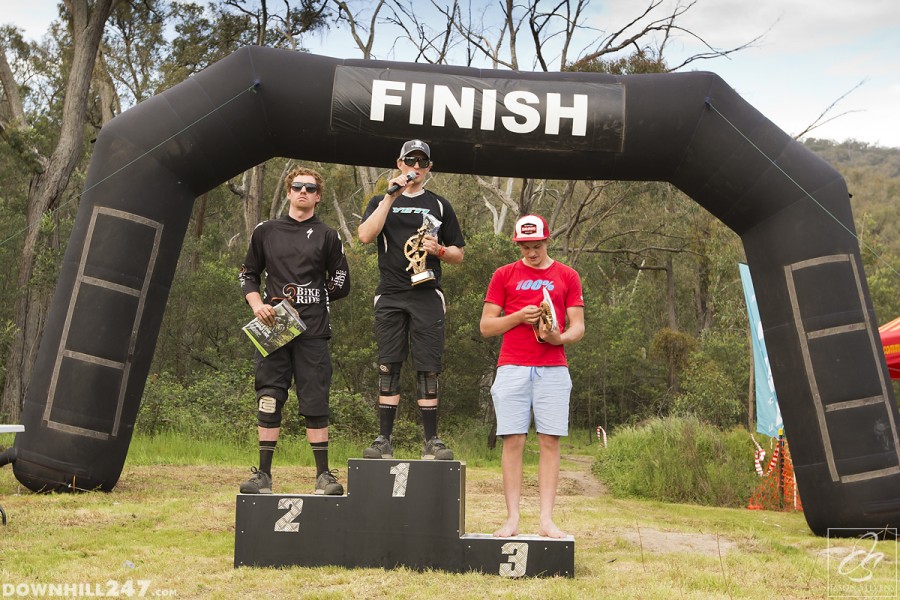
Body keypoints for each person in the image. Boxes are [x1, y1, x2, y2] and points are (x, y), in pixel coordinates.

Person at [238, 166, 350, 495]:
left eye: (310, 188)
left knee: (315, 401)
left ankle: (324, 476)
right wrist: (257, 304)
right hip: (273, 328)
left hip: (312, 330)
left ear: (318, 196)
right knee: (269, 397)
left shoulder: (328, 235)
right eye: (298, 186)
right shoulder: (266, 231)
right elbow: (247, 274)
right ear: (288, 191)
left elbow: (342, 282)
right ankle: (263, 476)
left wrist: (315, 294)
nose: (303, 192)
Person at [357, 139, 465, 460]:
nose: (415, 168)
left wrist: (440, 251)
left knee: (428, 367)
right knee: (388, 364)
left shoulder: (440, 205)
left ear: (429, 168)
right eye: (410, 161)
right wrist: (391, 195)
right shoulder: (381, 200)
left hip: (427, 294)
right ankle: (383, 439)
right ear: (399, 163)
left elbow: (459, 253)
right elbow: (365, 235)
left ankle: (431, 440)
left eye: (421, 163)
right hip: (390, 293)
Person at [479, 214, 585, 538]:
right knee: (513, 440)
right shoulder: (504, 275)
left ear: (547, 240)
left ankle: (546, 521)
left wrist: (560, 338)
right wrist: (517, 317)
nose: (531, 252)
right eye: (525, 247)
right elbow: (486, 326)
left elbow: (578, 325)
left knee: (549, 441)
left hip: (553, 367)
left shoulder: (568, 275)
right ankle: (512, 519)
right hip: (512, 366)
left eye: (536, 246)